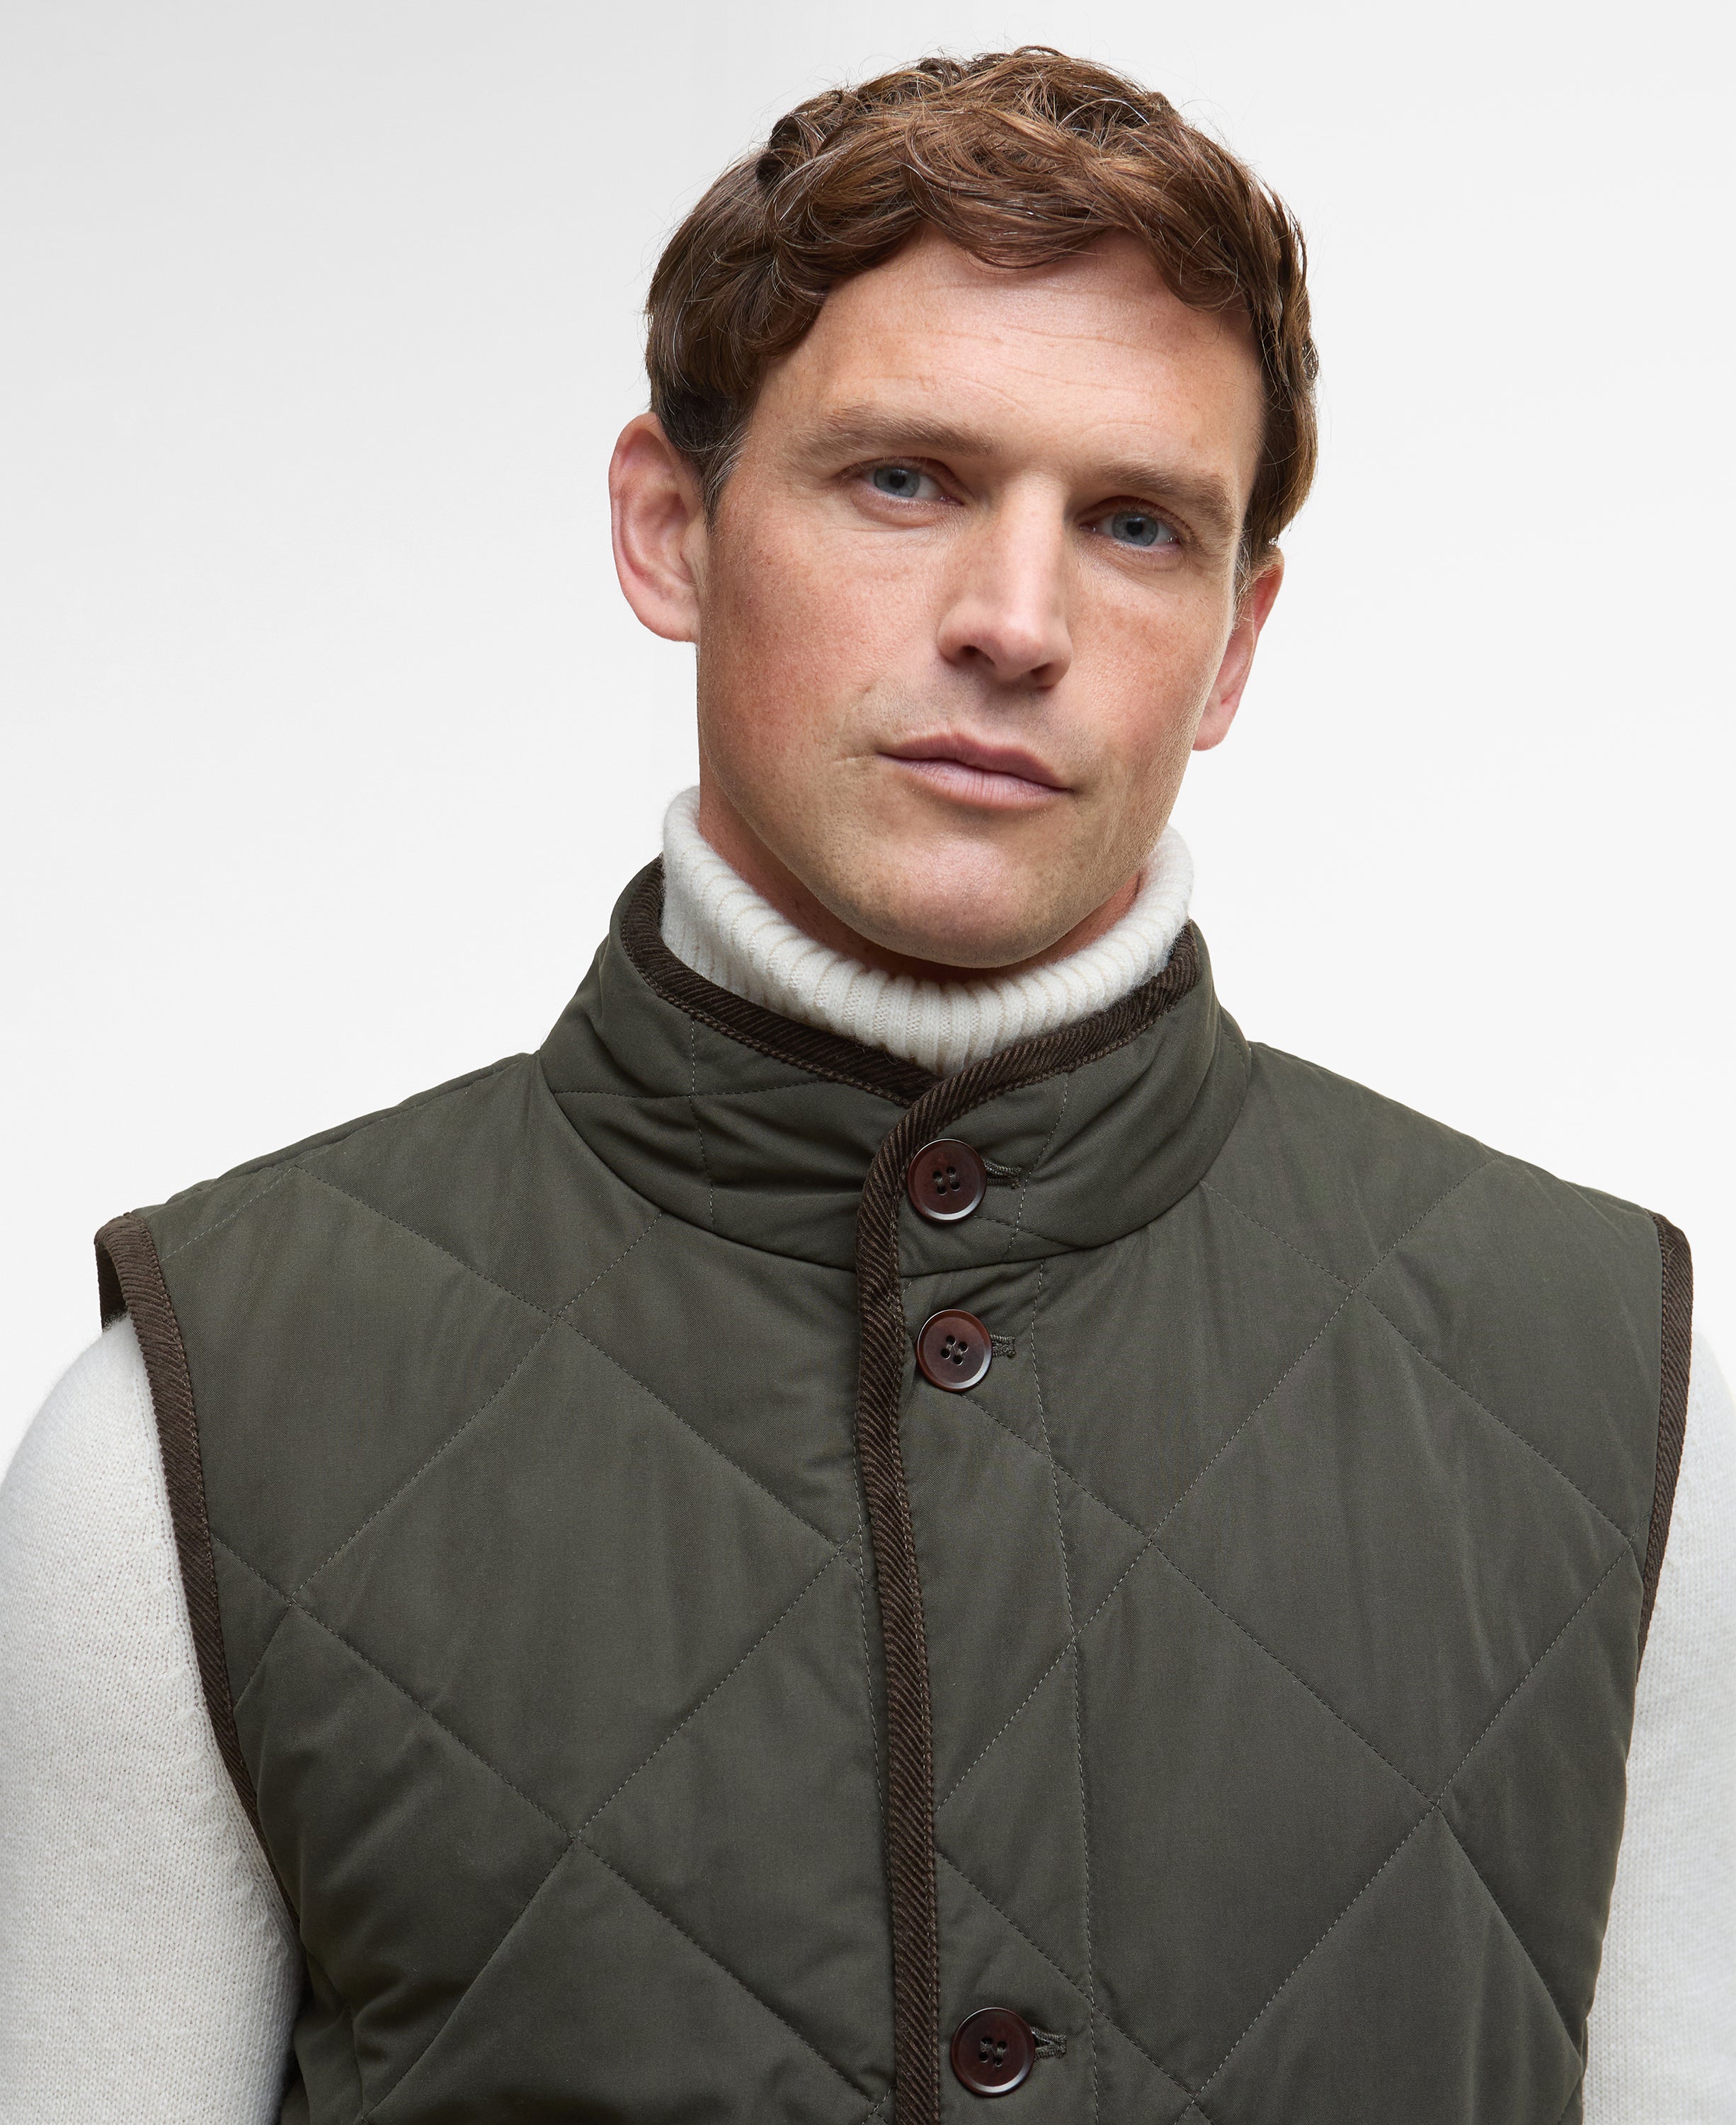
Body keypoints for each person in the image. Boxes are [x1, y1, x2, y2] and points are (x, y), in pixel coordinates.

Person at [1, 47, 1730, 2125]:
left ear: (1235, 640)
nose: (1016, 621)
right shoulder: (193, 1429)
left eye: (1135, 524)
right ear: (670, 528)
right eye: (904, 480)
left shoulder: (1620, 1405)